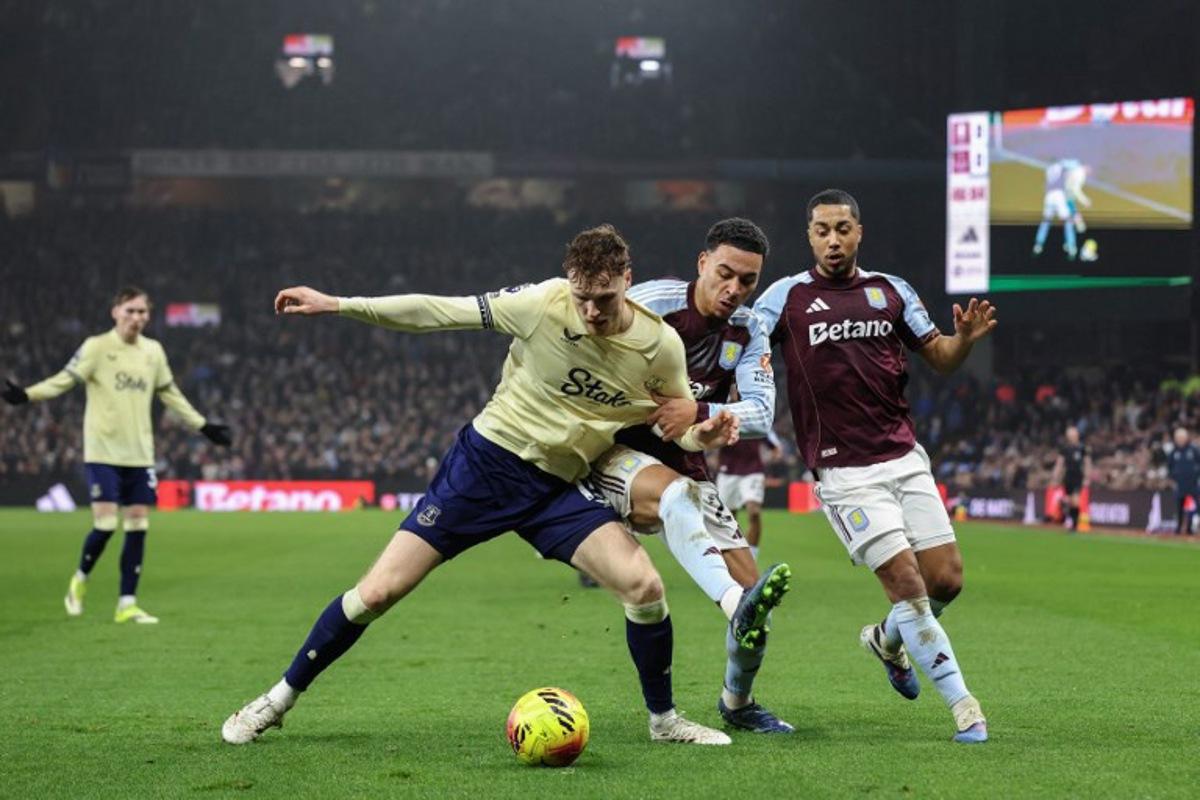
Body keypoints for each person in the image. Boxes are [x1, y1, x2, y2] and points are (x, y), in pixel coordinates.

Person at [221, 224, 743, 746]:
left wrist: (705, 433)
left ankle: (664, 722)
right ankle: (279, 698)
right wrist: (339, 304)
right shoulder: (542, 304)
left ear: (628, 280)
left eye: (603, 298)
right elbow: (437, 311)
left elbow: (678, 429)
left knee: (645, 587)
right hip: (485, 469)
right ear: (569, 284)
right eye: (582, 297)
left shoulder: (659, 346)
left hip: (557, 488)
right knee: (376, 593)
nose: (591, 312)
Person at [754, 189, 997, 744]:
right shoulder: (784, 298)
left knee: (946, 580)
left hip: (904, 458)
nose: (833, 239)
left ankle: (886, 641)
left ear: (859, 231)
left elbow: (939, 358)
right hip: (845, 472)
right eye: (821, 230)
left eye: (842, 228)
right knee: (909, 585)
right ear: (809, 236)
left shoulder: (891, 291)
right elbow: (743, 346)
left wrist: (963, 340)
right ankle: (966, 708)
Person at [579, 218, 793, 734]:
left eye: (747, 281)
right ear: (702, 264)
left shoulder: (749, 329)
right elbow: (586, 352)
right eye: (725, 274)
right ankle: (721, 604)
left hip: (687, 455)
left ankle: (737, 703)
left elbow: (762, 410)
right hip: (618, 449)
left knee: (755, 601)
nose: (734, 290)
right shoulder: (652, 304)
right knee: (672, 508)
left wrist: (696, 408)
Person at [2, 287, 232, 624]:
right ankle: (80, 580)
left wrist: (203, 426)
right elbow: (64, 380)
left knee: (138, 525)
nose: (137, 318)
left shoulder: (153, 351)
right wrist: (26, 395)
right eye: (130, 311)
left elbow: (170, 394)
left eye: (142, 312)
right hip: (103, 452)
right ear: (115, 312)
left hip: (140, 454)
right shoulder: (97, 347)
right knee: (107, 524)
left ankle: (127, 603)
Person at [715, 387, 783, 563]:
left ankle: (751, 558)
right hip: (728, 471)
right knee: (729, 519)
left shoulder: (756, 414)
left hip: (752, 471)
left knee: (754, 512)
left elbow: (775, 446)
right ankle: (733, 559)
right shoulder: (721, 412)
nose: (736, 390)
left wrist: (773, 455)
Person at [1052, 426, 1091, 531]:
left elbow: (1087, 463)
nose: (1071, 436)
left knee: (1075, 500)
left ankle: (1074, 525)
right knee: (1068, 501)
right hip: (1068, 476)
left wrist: (1087, 477)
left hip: (1078, 477)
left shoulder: (1082, 448)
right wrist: (1055, 477)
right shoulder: (1065, 449)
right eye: (1069, 435)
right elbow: (1060, 463)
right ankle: (1069, 521)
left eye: (1073, 434)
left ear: (1077, 435)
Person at [1167, 427, 1199, 535]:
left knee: (1190, 507)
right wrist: (1172, 478)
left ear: (1186, 438)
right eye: (1178, 438)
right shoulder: (1173, 452)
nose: (1180, 440)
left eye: (1182, 437)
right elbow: (1169, 467)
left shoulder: (1193, 450)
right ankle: (1179, 527)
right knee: (1179, 507)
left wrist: (1196, 475)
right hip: (1179, 485)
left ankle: (1189, 528)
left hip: (1192, 485)